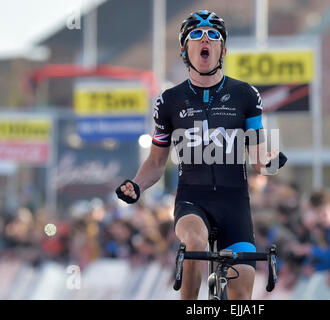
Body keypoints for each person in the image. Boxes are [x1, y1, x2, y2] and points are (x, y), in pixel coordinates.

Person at [115, 10, 287, 300]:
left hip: (235, 205)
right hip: (192, 201)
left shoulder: (246, 95)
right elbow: (157, 162)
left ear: (223, 49)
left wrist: (270, 162)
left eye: (213, 35)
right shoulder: (169, 100)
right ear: (185, 49)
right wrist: (136, 185)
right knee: (195, 242)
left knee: (242, 294)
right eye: (196, 34)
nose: (205, 38)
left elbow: (259, 161)